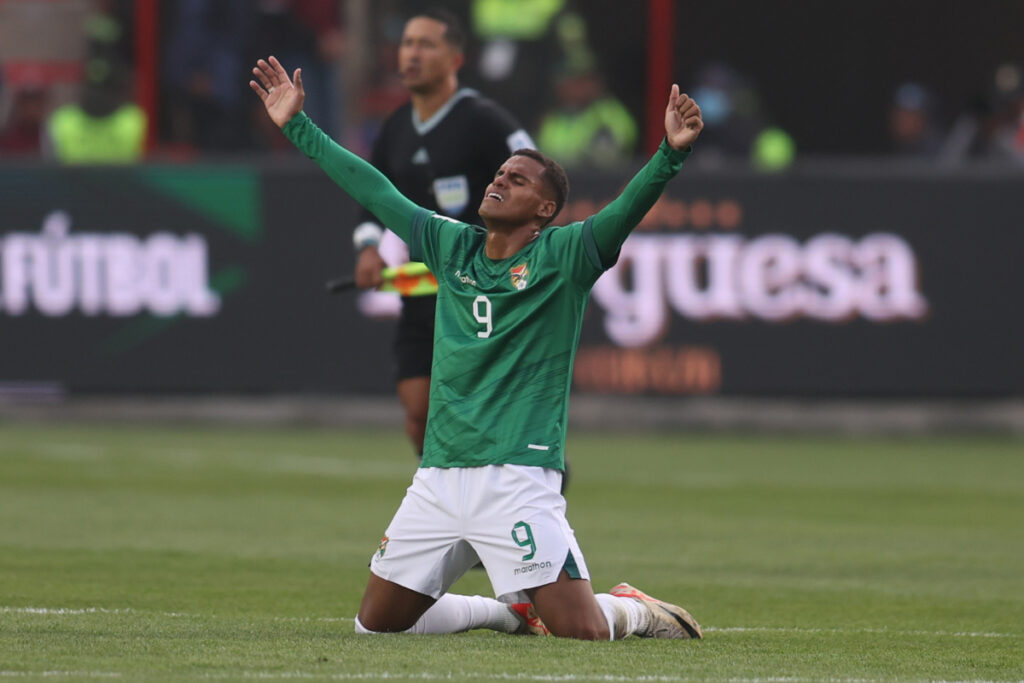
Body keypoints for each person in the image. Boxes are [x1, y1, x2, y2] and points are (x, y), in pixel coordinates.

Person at [251, 55, 705, 640]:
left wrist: (671, 153)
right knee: (376, 630)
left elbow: (625, 212)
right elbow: (373, 187)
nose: (498, 181)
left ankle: (636, 611)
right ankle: (508, 613)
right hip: (439, 477)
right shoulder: (451, 246)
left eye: (517, 180)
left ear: (546, 210)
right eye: (498, 174)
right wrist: (298, 126)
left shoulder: (565, 257)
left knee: (584, 635)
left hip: (517, 477)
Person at [351, 9, 535, 460]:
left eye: (426, 44)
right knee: (418, 413)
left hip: (479, 295)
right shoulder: (394, 128)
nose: (412, 53)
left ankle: (532, 479)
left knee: (476, 415)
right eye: (407, 43)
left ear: (455, 58)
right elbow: (371, 194)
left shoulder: (484, 120)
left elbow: (540, 176)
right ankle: (452, 506)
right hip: (423, 287)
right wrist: (368, 247)